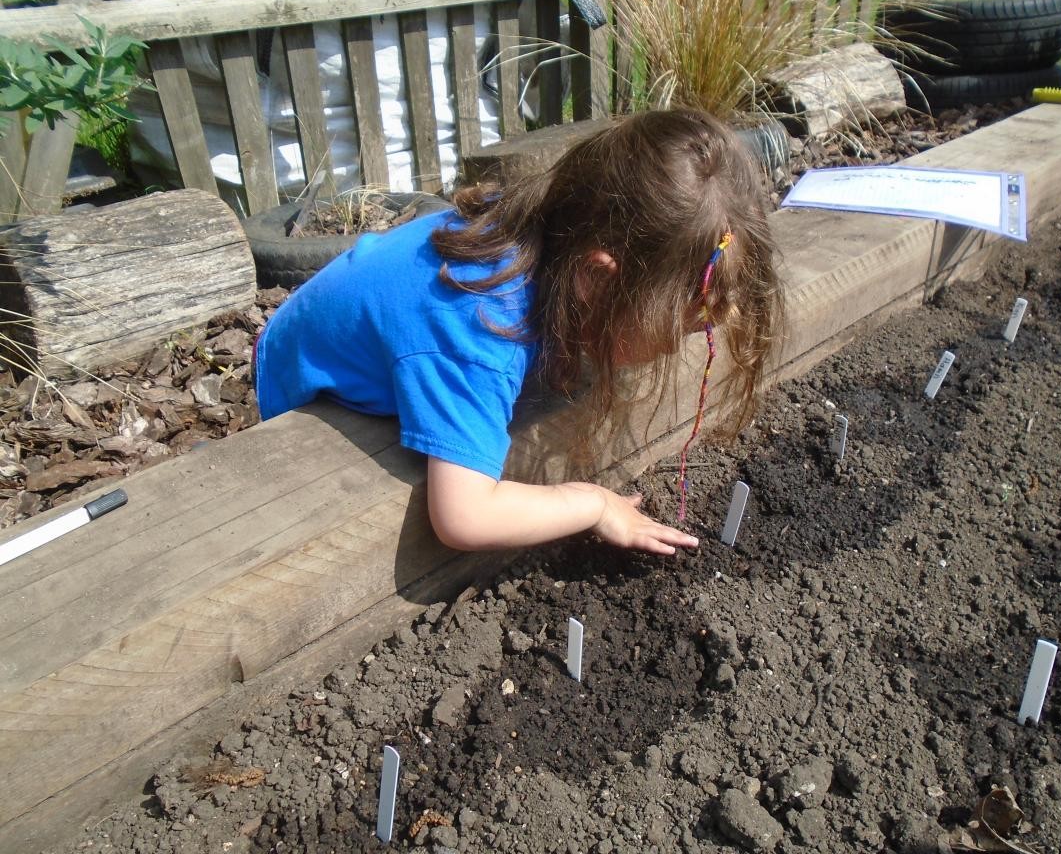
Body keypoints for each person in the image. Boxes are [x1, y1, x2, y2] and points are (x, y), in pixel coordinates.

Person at [254, 108, 782, 555]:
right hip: (304, 384)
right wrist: (594, 503)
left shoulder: (550, 229)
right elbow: (465, 518)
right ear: (597, 279)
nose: (674, 344)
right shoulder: (481, 334)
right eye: (681, 328)